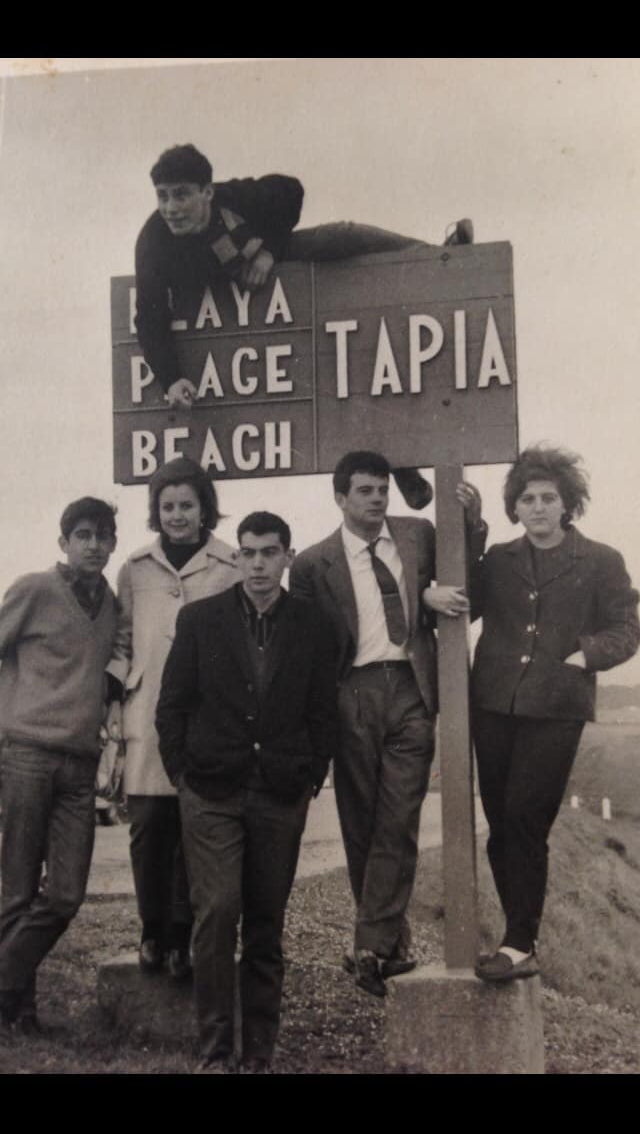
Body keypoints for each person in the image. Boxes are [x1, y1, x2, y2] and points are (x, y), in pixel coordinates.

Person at [135, 142, 473, 509]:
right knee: (320, 383)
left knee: (343, 241)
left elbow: (291, 190)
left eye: (181, 195)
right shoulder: (153, 240)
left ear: (207, 192)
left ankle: (438, 258)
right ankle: (403, 470)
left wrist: (269, 252)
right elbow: (148, 315)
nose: (171, 208)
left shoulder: (236, 197)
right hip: (227, 306)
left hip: (269, 264)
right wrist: (170, 378)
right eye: (163, 197)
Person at [289, 450, 486, 998]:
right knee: (361, 821)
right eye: (365, 491)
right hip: (350, 691)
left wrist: (472, 522)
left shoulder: (418, 534)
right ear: (340, 497)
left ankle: (368, 946)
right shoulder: (311, 563)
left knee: (399, 815)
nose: (377, 500)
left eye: (382, 490)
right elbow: (306, 642)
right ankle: (388, 947)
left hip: (410, 687)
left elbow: (463, 564)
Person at [156, 511, 338, 1074]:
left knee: (265, 920)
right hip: (210, 790)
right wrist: (183, 776)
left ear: (288, 556)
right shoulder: (200, 620)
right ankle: (214, 1052)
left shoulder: (314, 624)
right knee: (217, 912)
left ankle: (259, 1054)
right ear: (236, 557)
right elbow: (172, 707)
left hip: (280, 793)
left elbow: (322, 710)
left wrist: (309, 774)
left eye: (270, 552)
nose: (258, 563)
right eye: (249, 552)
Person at [471, 446, 640, 983]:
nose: (539, 508)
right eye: (527, 499)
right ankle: (515, 939)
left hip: (557, 706)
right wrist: (468, 537)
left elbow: (628, 629)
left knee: (525, 815)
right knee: (499, 825)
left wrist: (583, 656)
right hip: (494, 702)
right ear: (514, 507)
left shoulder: (602, 560)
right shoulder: (499, 559)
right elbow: (468, 605)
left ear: (568, 504)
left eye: (549, 498)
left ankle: (521, 941)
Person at [106, 457, 238, 981]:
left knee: (195, 831)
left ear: (206, 508)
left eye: (187, 505)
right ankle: (152, 931)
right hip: (145, 713)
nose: (178, 516)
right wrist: (113, 700)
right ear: (154, 512)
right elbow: (121, 641)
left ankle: (184, 938)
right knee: (148, 830)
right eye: (167, 506)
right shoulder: (135, 568)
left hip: (205, 718)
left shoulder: (229, 564)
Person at [0, 498, 120, 1032]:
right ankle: (17, 1009)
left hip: (80, 766)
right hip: (25, 755)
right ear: (64, 541)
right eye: (83, 535)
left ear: (113, 544)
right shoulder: (33, 590)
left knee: (66, 895)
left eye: (102, 536)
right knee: (18, 891)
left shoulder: (111, 603)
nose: (93, 545)